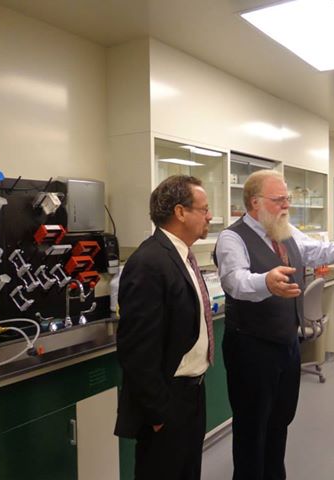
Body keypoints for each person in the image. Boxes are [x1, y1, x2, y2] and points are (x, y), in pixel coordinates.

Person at [214, 170, 334, 480]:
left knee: (280, 420)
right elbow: (234, 280)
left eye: (288, 199)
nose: (286, 205)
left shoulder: (283, 230)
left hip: (286, 342)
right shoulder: (233, 238)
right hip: (251, 347)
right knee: (252, 427)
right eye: (279, 199)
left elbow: (318, 250)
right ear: (255, 202)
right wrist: (266, 282)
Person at [114, 175, 214, 480]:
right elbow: (136, 350)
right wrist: (158, 413)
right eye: (204, 209)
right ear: (180, 212)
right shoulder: (149, 262)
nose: (210, 216)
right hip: (168, 401)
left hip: (192, 393)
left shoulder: (182, 256)